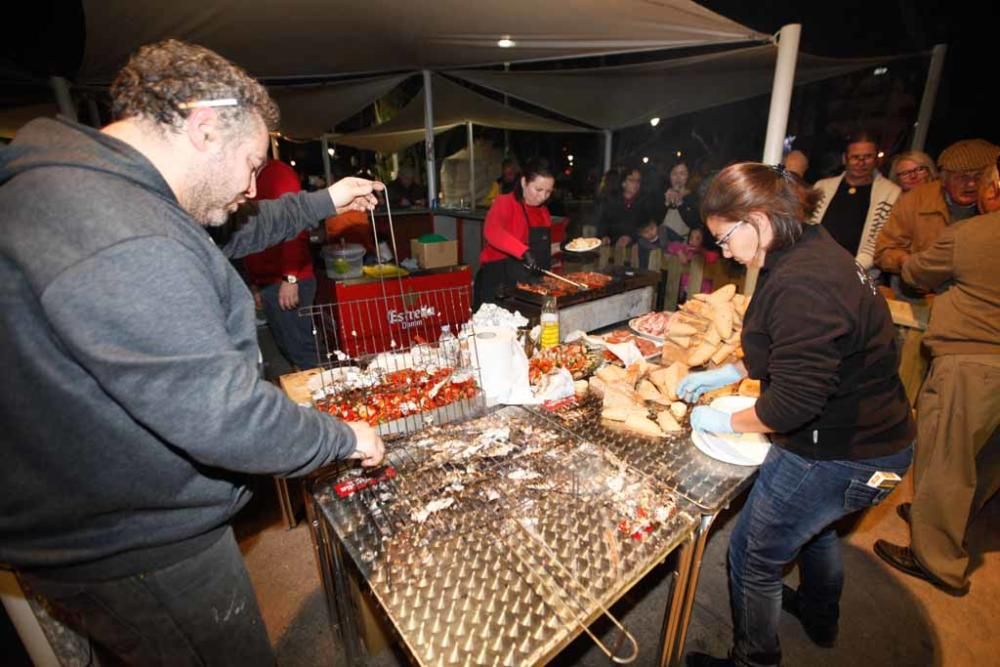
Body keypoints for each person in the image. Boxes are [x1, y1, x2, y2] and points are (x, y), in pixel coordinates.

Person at [0, 39, 385, 665]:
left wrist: (324, 201)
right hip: (132, 541)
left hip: (98, 513)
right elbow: (223, 414)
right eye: (254, 163)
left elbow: (234, 227)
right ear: (205, 129)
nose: (252, 184)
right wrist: (341, 438)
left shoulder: (100, 188)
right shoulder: (122, 233)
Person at [681, 163, 914, 667]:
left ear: (758, 219)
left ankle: (754, 659)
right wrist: (730, 371)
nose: (722, 252)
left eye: (724, 239)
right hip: (878, 434)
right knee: (816, 525)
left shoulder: (805, 281)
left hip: (841, 448)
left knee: (753, 555)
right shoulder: (806, 245)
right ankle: (818, 613)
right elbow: (795, 345)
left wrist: (724, 421)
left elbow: (793, 404)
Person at [873, 157, 1000, 596]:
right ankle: (944, 525)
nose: (973, 187)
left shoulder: (976, 233)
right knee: (983, 462)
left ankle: (937, 560)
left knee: (947, 461)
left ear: (994, 186)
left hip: (974, 363)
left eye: (980, 180)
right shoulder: (922, 203)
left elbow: (914, 271)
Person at [874, 139, 1000, 281]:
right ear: (944, 180)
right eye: (961, 177)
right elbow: (884, 250)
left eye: (979, 176)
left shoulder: (994, 205)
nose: (971, 184)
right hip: (921, 289)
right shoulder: (915, 200)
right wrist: (907, 262)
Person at [242, 159, 320, 370]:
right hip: (269, 281)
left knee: (302, 352)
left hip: (286, 280)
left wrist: (290, 276)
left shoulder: (279, 175)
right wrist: (255, 284)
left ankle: (320, 401)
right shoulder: (252, 177)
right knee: (288, 348)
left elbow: (295, 228)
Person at [811, 130, 900, 274]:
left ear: (876, 158)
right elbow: (809, 226)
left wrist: (853, 269)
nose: (861, 163)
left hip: (859, 272)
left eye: (867, 157)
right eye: (855, 157)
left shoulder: (891, 192)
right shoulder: (822, 186)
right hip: (816, 265)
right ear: (845, 159)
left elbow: (879, 239)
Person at [473, 157, 555, 307]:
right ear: (524, 183)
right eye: (538, 189)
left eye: (548, 192)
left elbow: (547, 249)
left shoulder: (544, 212)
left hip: (529, 285)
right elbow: (492, 231)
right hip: (498, 282)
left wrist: (564, 247)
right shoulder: (504, 202)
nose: (543, 196)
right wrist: (523, 252)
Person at [594, 166, 651, 248]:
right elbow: (603, 223)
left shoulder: (644, 202)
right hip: (612, 246)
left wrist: (630, 237)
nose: (636, 184)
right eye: (631, 180)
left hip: (636, 247)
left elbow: (646, 227)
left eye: (638, 181)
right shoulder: (611, 201)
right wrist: (604, 236)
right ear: (623, 183)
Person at [665, 225, 720, 298]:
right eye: (691, 237)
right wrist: (680, 253)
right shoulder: (686, 249)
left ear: (704, 240)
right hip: (684, 288)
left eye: (697, 238)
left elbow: (713, 257)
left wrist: (701, 251)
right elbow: (671, 246)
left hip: (702, 290)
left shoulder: (705, 253)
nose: (693, 241)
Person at [657, 160, 701, 243]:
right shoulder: (662, 194)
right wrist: (665, 203)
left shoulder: (693, 197)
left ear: (688, 176)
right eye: (674, 173)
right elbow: (655, 221)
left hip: (683, 245)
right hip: (662, 243)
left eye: (682, 173)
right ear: (669, 176)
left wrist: (681, 204)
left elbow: (695, 224)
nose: (678, 177)